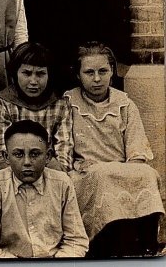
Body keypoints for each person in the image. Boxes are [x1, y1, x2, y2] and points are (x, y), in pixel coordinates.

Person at [64, 42, 164, 257]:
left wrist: (129, 169)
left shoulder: (124, 103)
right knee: (102, 175)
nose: (97, 79)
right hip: (86, 172)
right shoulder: (68, 102)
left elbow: (137, 147)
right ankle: (108, 245)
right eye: (89, 72)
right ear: (78, 74)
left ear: (112, 71)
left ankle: (146, 244)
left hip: (121, 168)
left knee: (147, 173)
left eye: (103, 71)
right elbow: (63, 146)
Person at [0, 120, 89, 258]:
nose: (27, 162)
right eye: (18, 154)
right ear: (6, 157)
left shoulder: (62, 183)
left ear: (48, 156)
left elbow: (75, 240)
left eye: (35, 154)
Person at [0, 42, 73, 173]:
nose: (33, 81)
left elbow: (64, 147)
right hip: (13, 171)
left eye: (40, 74)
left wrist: (59, 169)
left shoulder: (60, 104)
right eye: (27, 73)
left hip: (49, 170)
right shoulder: (3, 102)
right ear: (15, 73)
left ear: (49, 75)